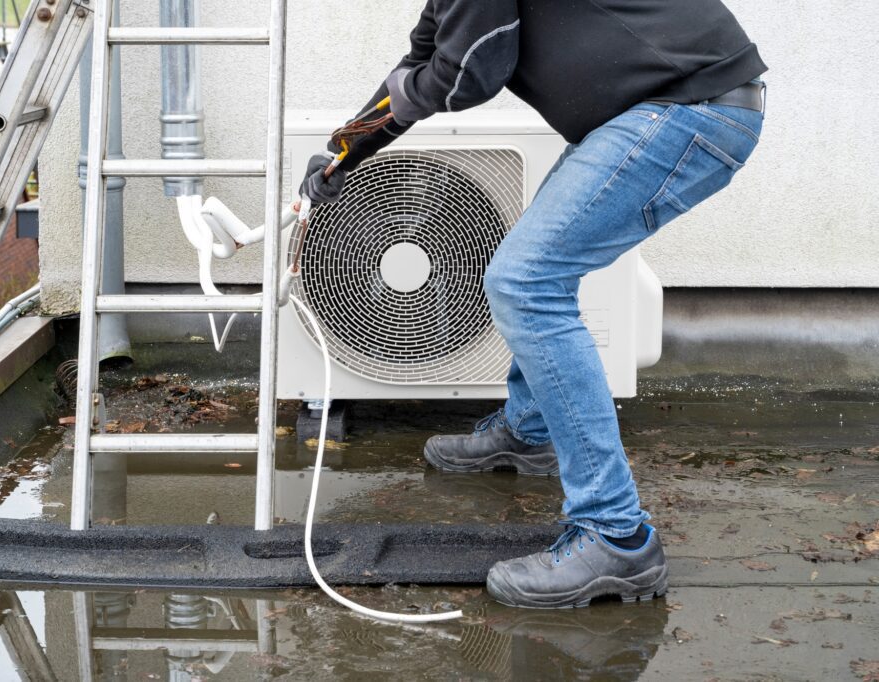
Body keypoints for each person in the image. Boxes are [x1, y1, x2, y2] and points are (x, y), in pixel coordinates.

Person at [300, 0, 766, 609]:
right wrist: (347, 147)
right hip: (655, 111)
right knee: (532, 270)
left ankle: (617, 536)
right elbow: (424, 59)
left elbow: (470, 70)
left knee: (526, 280)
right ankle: (531, 430)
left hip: (689, 109)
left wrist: (375, 125)